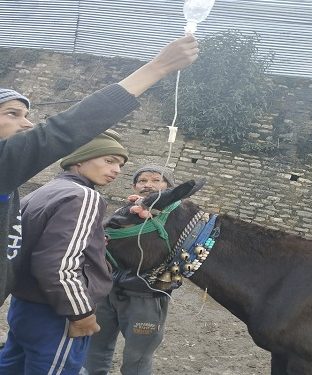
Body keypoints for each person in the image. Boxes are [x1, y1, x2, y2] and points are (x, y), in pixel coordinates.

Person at [0, 35, 199, 308]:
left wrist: (122, 219)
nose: (28, 125)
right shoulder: (79, 196)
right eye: (12, 113)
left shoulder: (30, 187)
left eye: (121, 164)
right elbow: (64, 130)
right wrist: (157, 67)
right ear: (79, 159)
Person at [0, 131, 128, 374]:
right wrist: (81, 314)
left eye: (120, 165)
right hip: (56, 314)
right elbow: (58, 265)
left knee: (11, 366)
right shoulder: (84, 196)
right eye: (109, 161)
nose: (117, 170)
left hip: (24, 306)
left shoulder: (44, 190)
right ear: (80, 159)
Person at [84, 165, 176, 375]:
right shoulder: (124, 212)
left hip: (146, 298)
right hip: (108, 292)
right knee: (95, 349)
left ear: (169, 187)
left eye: (156, 180)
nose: (148, 185)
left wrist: (161, 285)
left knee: (137, 359)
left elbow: (180, 261)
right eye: (142, 180)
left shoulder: (174, 218)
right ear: (134, 186)